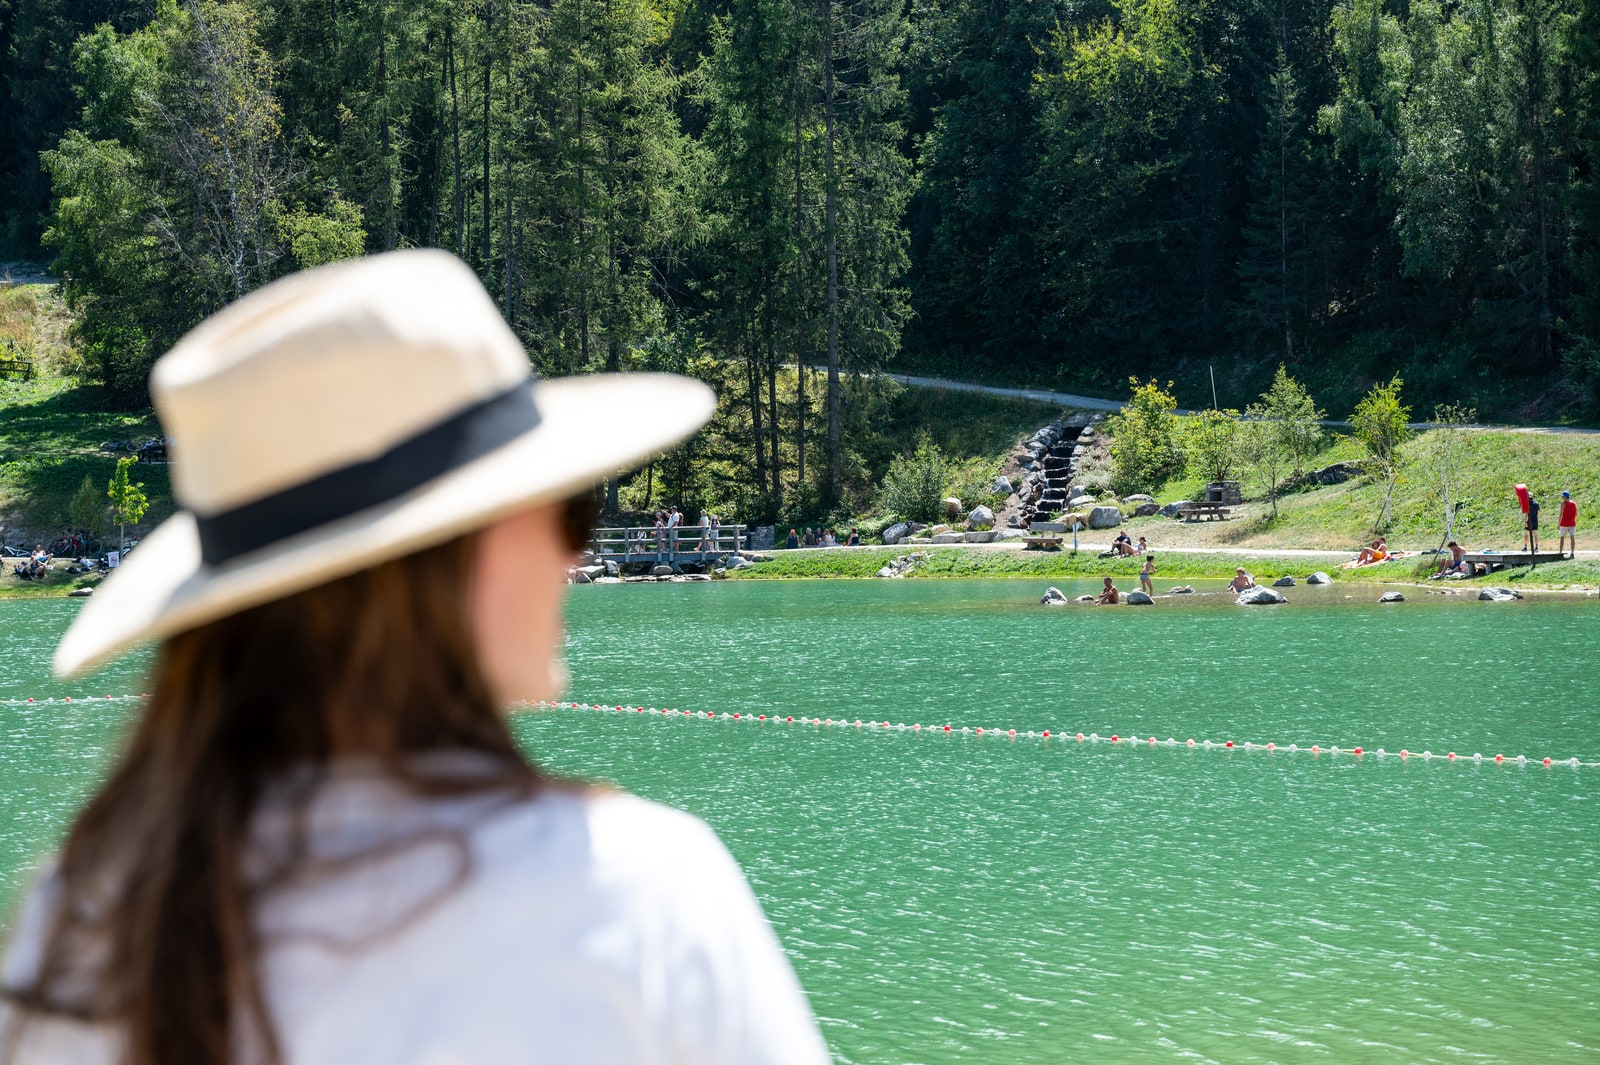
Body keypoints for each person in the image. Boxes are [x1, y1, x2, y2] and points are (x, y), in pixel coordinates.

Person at [0, 251, 830, 1065]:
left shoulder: (88, 919)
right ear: (463, 549)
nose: (573, 559)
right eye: (565, 509)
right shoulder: (638, 896)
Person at [1558, 490, 1577, 558]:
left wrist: (1558, 524)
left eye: (1563, 496)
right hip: (1572, 523)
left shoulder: (1563, 504)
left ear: (1565, 497)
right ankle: (1572, 552)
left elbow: (1561, 514)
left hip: (1564, 523)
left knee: (1562, 537)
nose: (1562, 498)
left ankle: (1560, 552)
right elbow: (1576, 514)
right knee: (1572, 538)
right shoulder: (1574, 503)